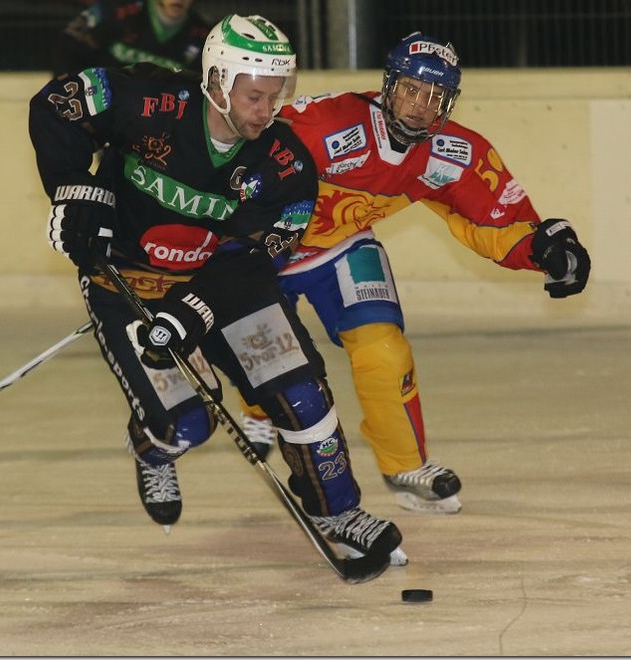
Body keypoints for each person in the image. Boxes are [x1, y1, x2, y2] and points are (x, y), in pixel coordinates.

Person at [29, 14, 404, 575]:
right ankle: (153, 445)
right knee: (186, 425)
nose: (267, 111)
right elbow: (56, 104)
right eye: (255, 95)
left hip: (226, 289)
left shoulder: (287, 168)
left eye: (278, 95)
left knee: (302, 395)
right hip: (126, 282)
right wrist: (74, 191)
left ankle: (338, 512)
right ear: (216, 81)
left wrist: (194, 310)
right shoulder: (149, 102)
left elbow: (255, 261)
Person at [237, 32, 592, 515]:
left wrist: (544, 249)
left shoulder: (454, 153)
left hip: (341, 246)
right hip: (263, 251)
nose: (420, 106)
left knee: (384, 350)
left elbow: (496, 221)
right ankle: (257, 408)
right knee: (275, 361)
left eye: (435, 96)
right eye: (411, 89)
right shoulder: (323, 122)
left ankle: (405, 464)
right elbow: (235, 162)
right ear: (388, 85)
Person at [52, 0, 211, 74]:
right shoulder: (117, 11)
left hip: (159, 120)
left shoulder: (205, 36)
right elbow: (69, 42)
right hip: (102, 107)